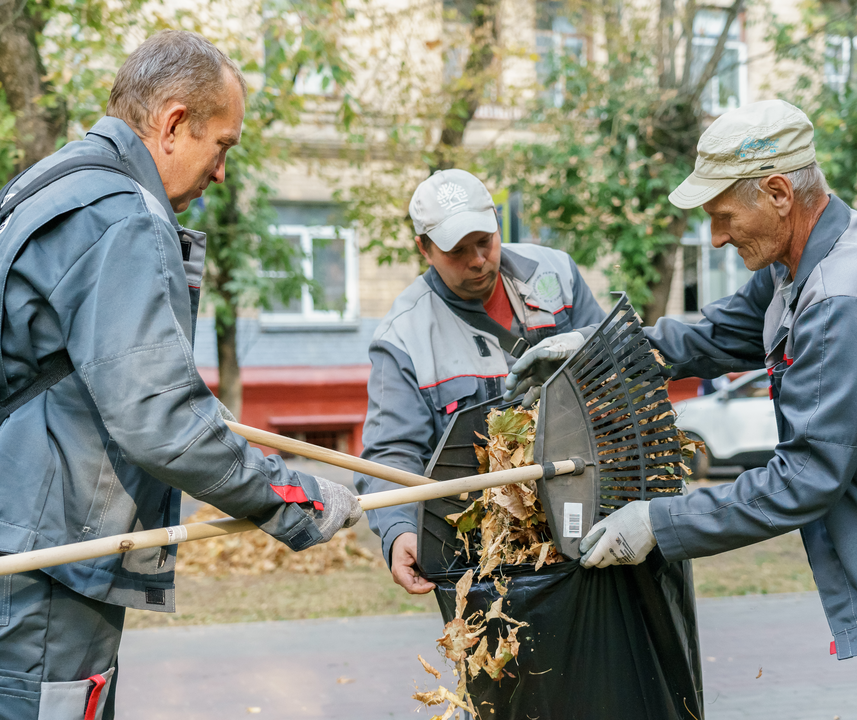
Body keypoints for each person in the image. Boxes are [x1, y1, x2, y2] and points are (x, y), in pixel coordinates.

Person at [514, 99, 857, 718]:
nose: (718, 236)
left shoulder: (839, 298)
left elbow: (805, 478)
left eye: (724, 216)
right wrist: (601, 349)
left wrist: (657, 524)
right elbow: (716, 336)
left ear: (778, 192)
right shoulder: (805, 262)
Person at [0, 31, 360, 720]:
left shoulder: (50, 183)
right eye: (221, 145)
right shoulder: (121, 215)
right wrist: (298, 499)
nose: (221, 170)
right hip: (43, 573)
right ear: (172, 123)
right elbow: (159, 422)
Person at [354, 168, 607, 593]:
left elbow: (606, 373)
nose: (476, 260)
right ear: (425, 249)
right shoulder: (403, 336)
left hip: (589, 516)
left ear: (497, 223)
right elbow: (390, 452)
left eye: (485, 241)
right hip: (489, 554)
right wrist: (398, 530)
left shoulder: (556, 275)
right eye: (457, 250)